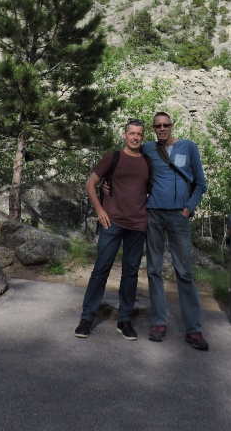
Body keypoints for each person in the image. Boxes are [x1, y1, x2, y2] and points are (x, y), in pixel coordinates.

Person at [74, 119, 151, 341]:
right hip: (111, 223)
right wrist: (100, 210)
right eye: (132, 133)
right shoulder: (113, 157)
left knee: (131, 274)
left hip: (137, 226)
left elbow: (146, 190)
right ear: (124, 135)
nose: (135, 137)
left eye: (139, 134)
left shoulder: (147, 162)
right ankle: (86, 318)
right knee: (101, 270)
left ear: (142, 137)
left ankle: (124, 321)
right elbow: (90, 184)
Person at [143, 111, 209, 351]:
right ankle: (159, 322)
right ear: (153, 128)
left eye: (165, 125)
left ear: (172, 125)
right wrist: (107, 181)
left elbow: (201, 183)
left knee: (184, 272)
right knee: (154, 269)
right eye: (158, 126)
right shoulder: (147, 148)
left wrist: (188, 209)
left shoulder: (188, 147)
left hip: (179, 216)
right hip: (154, 214)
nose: (162, 129)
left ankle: (193, 329)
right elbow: (130, 167)